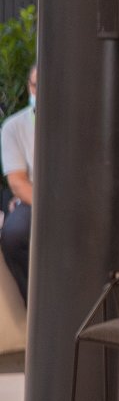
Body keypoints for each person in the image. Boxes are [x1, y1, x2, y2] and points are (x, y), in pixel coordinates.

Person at [0, 64, 36, 303]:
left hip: (76, 197)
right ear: (28, 87)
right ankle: (36, 303)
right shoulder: (14, 126)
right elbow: (18, 182)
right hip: (34, 198)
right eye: (35, 85)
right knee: (14, 234)